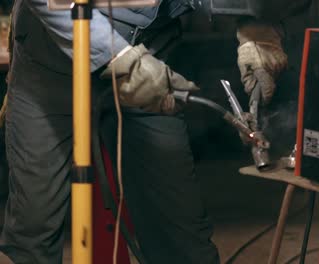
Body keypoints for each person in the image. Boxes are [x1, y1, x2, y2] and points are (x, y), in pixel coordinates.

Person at [0, 0, 294, 263]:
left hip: (153, 59)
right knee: (35, 225)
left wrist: (257, 26)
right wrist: (121, 61)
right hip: (52, 63)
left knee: (178, 228)